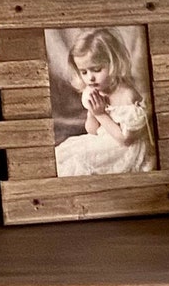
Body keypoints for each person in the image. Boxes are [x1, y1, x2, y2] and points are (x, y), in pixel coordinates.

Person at [54, 28, 155, 176]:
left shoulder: (127, 95)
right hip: (104, 139)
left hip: (126, 148)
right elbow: (93, 131)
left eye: (96, 69)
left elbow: (126, 140)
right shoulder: (92, 90)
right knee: (62, 154)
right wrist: (92, 113)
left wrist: (100, 114)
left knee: (81, 162)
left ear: (113, 63)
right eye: (84, 72)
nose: (90, 78)